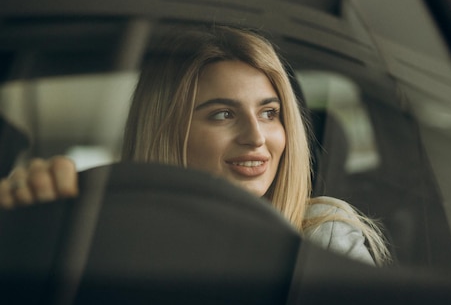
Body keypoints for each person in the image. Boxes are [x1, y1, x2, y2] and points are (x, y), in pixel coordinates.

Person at [0, 25, 390, 266]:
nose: (256, 137)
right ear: (167, 131)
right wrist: (31, 227)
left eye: (270, 113)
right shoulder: (98, 237)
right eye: (223, 115)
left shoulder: (321, 238)